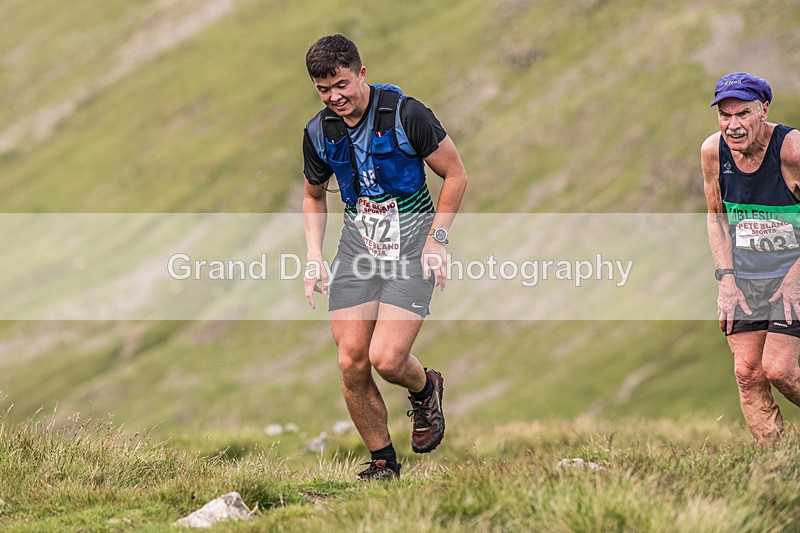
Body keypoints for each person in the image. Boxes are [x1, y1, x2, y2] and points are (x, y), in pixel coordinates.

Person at [301, 35, 468, 479]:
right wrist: (314, 255)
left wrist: (439, 239)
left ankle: (425, 387)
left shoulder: (407, 115)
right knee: (351, 360)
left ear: (361, 72)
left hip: (413, 248)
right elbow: (313, 197)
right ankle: (382, 464)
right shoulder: (319, 132)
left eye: (340, 84)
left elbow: (455, 174)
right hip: (358, 251)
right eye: (323, 89)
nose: (334, 96)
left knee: (387, 359)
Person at [702, 72, 800, 443]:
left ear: (764, 110)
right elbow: (716, 217)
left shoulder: (792, 151)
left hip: (794, 272)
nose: (733, 125)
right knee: (748, 373)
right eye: (725, 116)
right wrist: (725, 279)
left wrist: (796, 276)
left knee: (779, 369)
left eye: (742, 113)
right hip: (745, 277)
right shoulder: (713, 152)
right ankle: (775, 465)